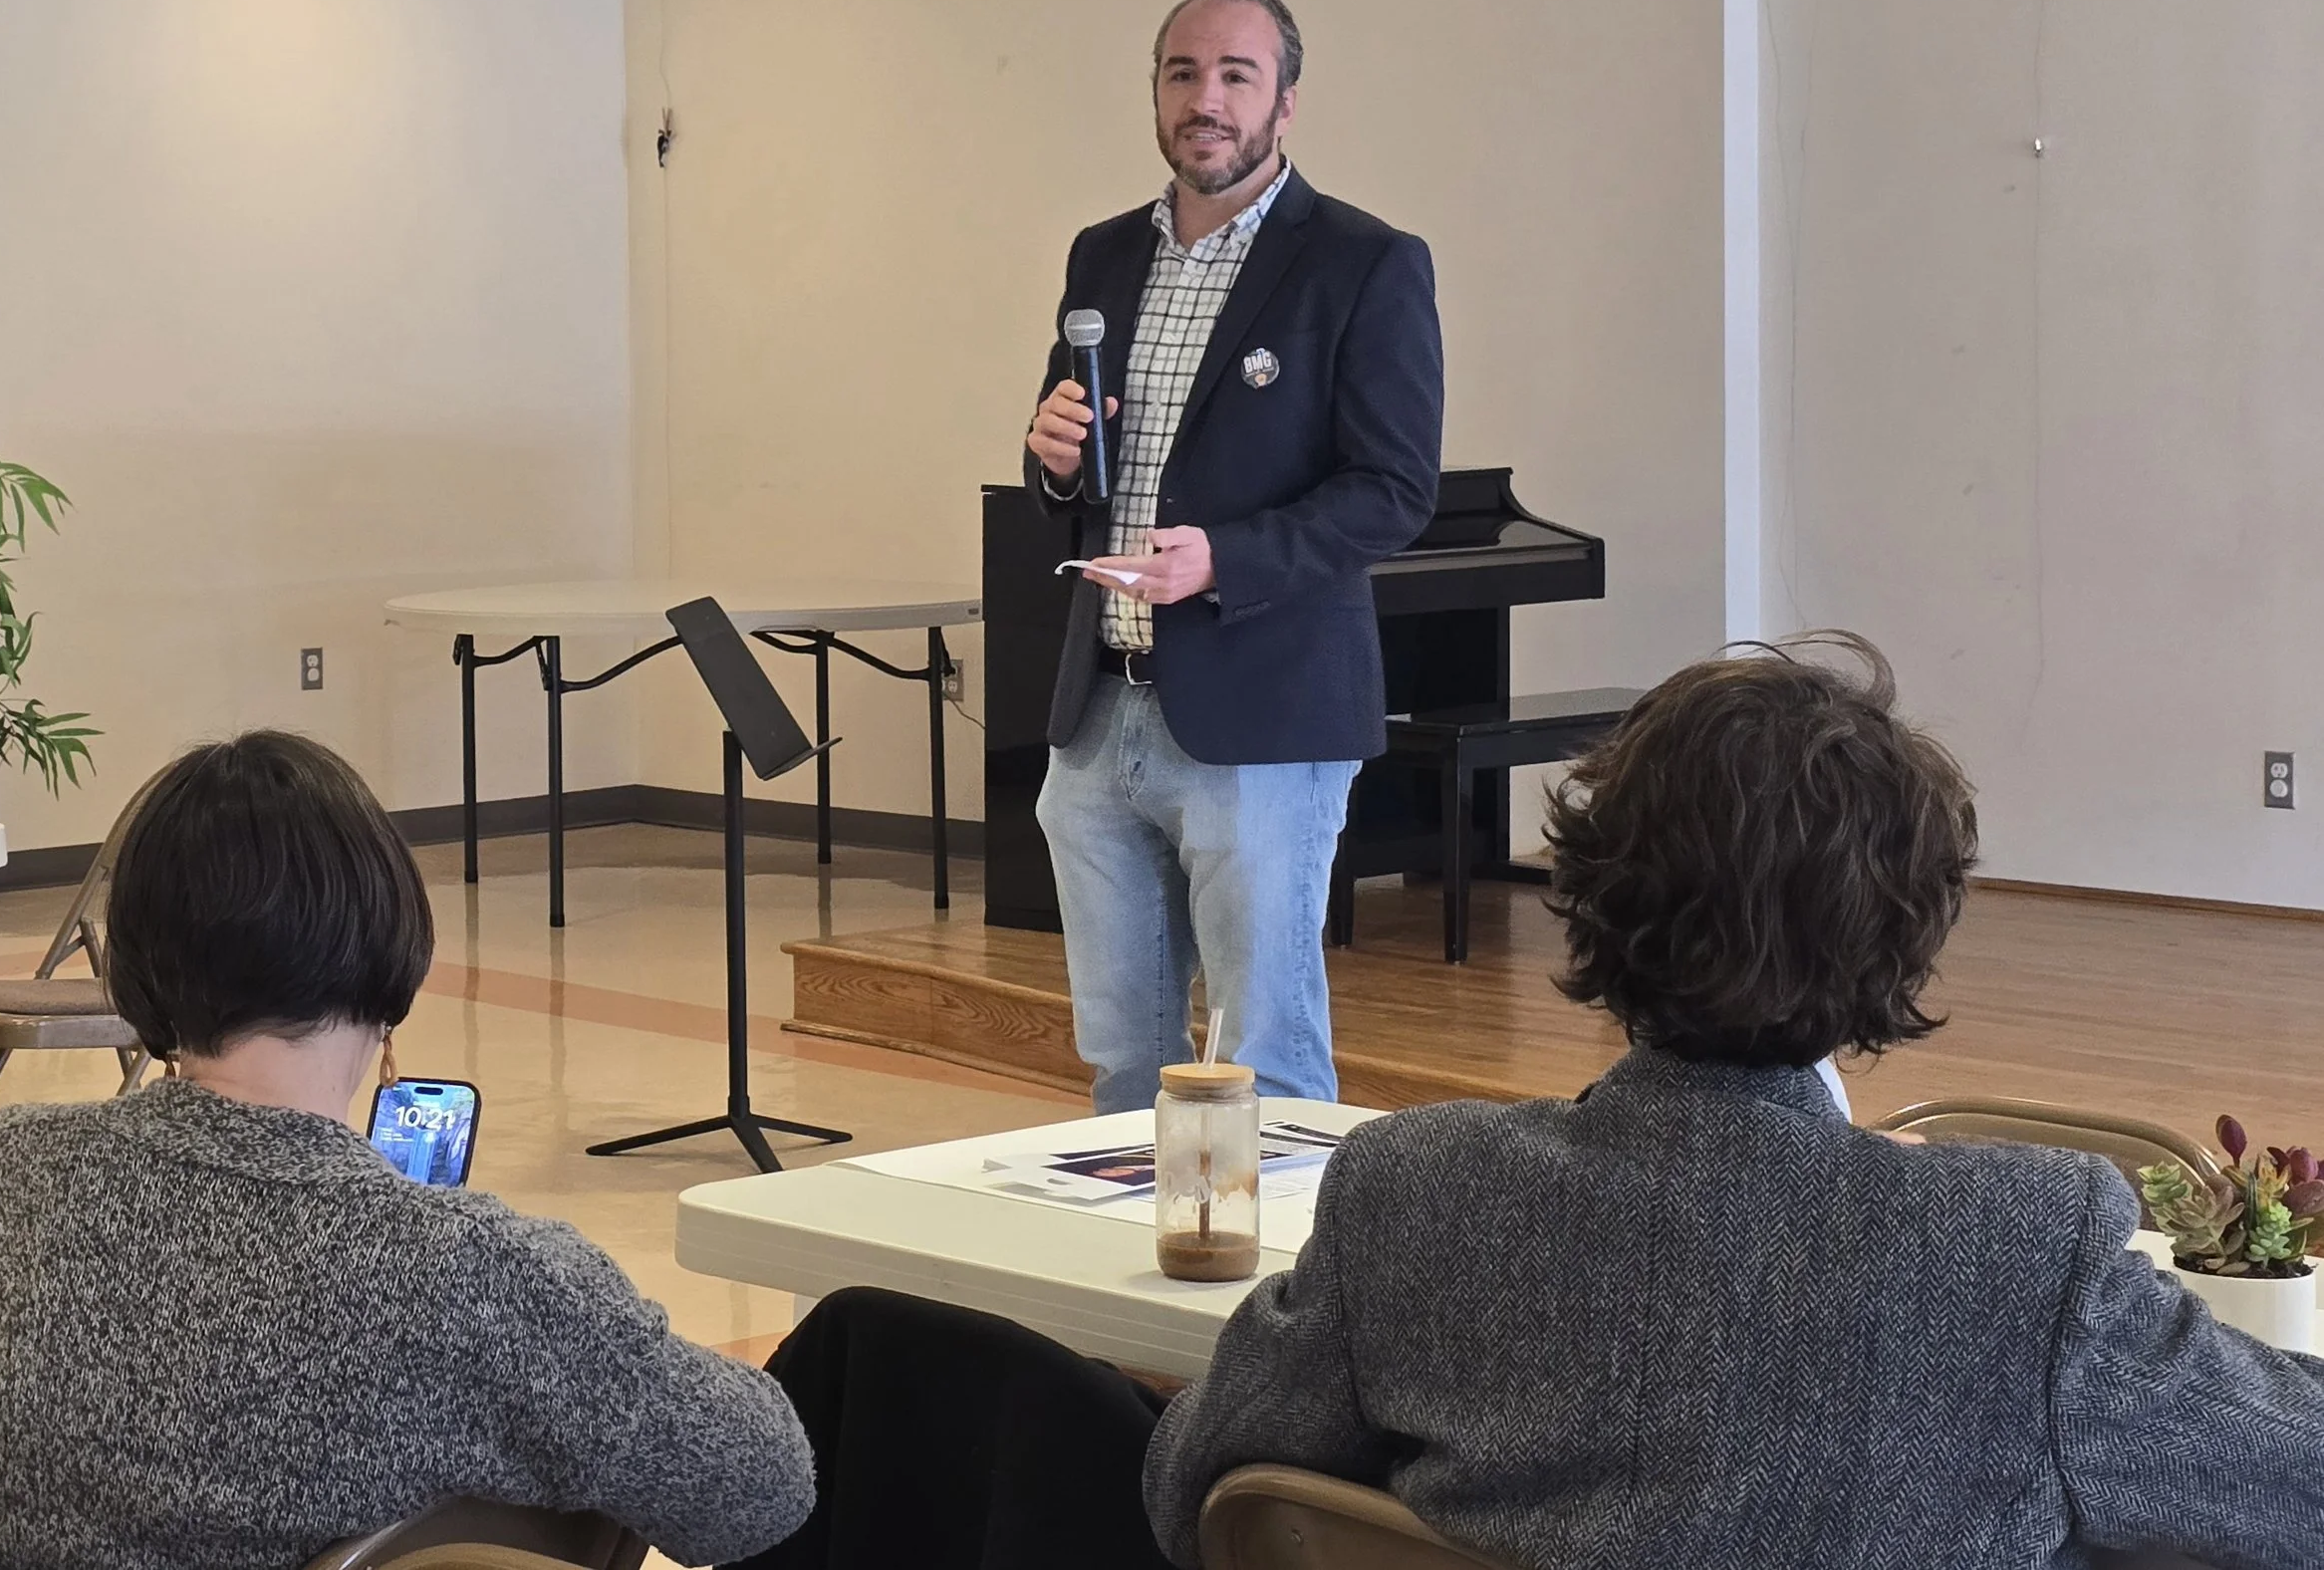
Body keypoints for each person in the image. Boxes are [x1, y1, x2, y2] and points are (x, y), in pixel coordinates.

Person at [744, 637, 2324, 1570]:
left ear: (1590, 896)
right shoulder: (2023, 1246)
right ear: (1904, 933)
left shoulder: (1417, 1194)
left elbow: (1190, 1489)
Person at [0, 731, 814, 1570]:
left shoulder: (5, 1172)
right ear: (387, 945)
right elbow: (759, 1487)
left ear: (139, 959)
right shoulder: (460, 1269)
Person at [1023, 0, 1443, 1115]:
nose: (1205, 99)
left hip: (1261, 715)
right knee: (1120, 1053)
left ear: (1284, 103)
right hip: (1101, 709)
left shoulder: (1363, 261)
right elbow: (1074, 465)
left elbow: (1394, 491)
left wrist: (1227, 557)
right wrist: (1054, 456)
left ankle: (1292, 1287)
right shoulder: (1103, 253)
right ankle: (1123, 1273)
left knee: (1268, 1055)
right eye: (1181, 74)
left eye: (1234, 76)